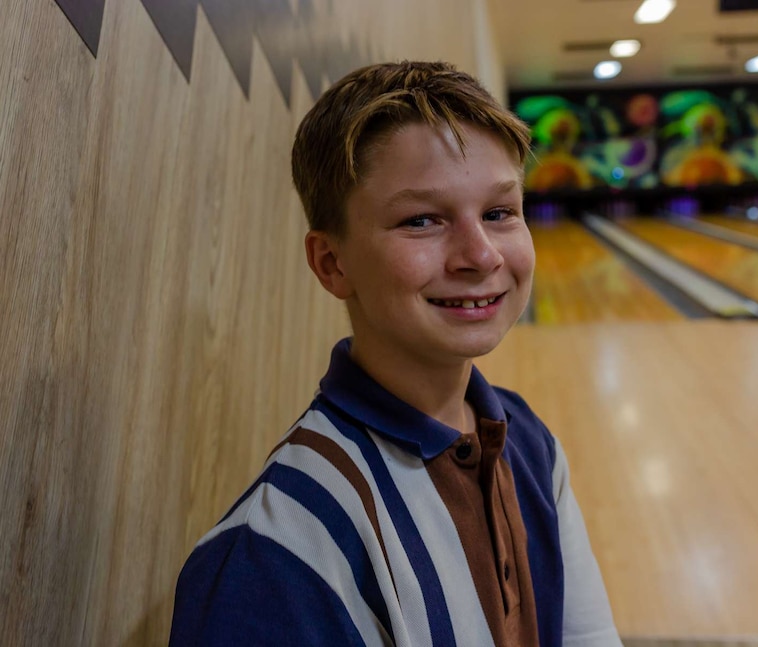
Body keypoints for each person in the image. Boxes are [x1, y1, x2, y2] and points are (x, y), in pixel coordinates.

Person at [170, 61, 621, 647]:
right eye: (422, 220)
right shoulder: (275, 557)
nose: (480, 255)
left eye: (499, 212)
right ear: (332, 263)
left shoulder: (529, 443)